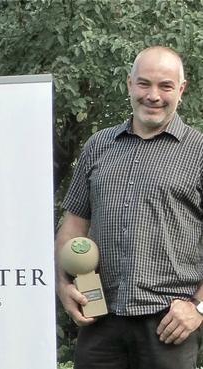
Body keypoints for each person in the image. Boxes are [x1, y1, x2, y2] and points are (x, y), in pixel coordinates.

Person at [55, 46, 203, 369]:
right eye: (143, 84)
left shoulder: (200, 152)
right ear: (128, 84)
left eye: (165, 86)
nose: (153, 96)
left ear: (181, 90)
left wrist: (198, 306)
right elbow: (73, 225)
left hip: (167, 327)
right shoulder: (98, 146)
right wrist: (64, 286)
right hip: (99, 320)